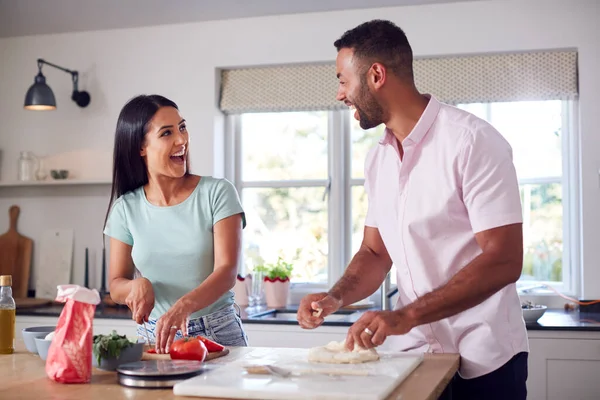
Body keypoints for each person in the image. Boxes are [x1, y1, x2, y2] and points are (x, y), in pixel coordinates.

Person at [297, 20, 528, 400]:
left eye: (342, 80)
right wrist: (334, 298)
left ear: (376, 75)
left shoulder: (473, 142)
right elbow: (375, 253)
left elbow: (504, 259)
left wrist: (405, 316)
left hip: (487, 359)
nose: (340, 94)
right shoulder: (378, 160)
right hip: (413, 357)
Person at [103, 94, 248, 354]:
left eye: (182, 127)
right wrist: (135, 286)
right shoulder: (125, 209)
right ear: (141, 147)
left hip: (218, 332)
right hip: (153, 337)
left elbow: (226, 272)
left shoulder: (217, 192)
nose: (182, 140)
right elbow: (115, 284)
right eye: (167, 133)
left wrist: (185, 305)